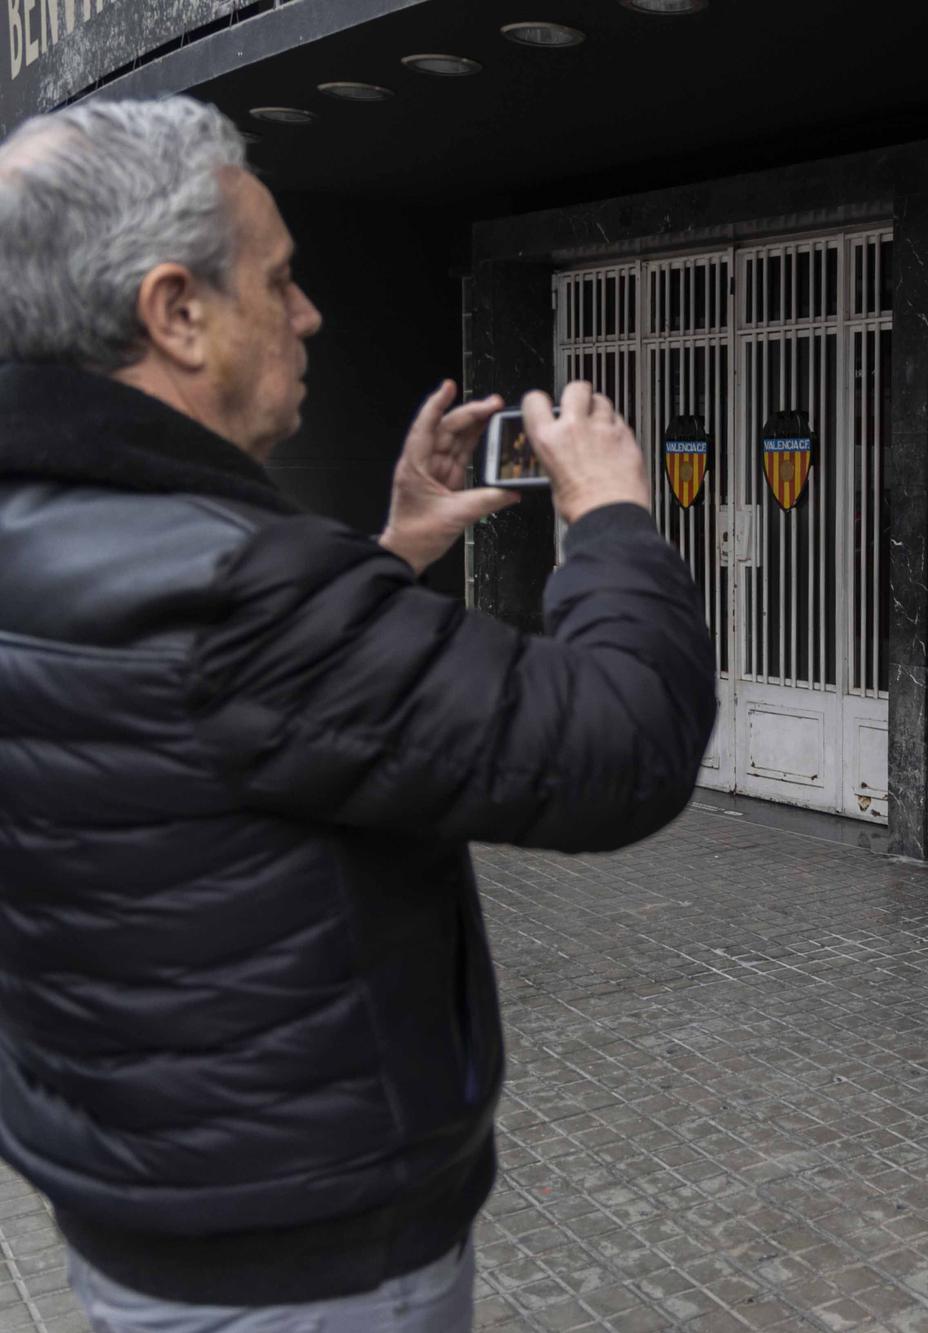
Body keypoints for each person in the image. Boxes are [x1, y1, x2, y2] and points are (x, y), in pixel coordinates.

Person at [0, 98, 716, 1329]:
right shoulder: (237, 591)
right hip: (306, 1261)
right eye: (277, 282)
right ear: (176, 313)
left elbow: (215, 715)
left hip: (140, 1211)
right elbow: (621, 743)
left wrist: (384, 552)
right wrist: (609, 517)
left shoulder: (58, 531)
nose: (309, 312)